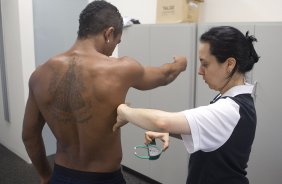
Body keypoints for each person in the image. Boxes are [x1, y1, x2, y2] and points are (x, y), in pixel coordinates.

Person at [21, 1, 187, 184]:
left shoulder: (39, 74)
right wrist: (180, 64)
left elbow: (29, 136)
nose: (114, 48)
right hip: (105, 178)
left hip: (62, 175)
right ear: (108, 33)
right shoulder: (121, 68)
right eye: (117, 41)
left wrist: (45, 175)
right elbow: (165, 75)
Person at [113, 26, 260, 184]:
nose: (199, 71)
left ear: (229, 64)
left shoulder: (229, 109)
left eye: (205, 64)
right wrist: (169, 131)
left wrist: (123, 110)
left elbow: (161, 121)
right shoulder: (234, 99)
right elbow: (209, 132)